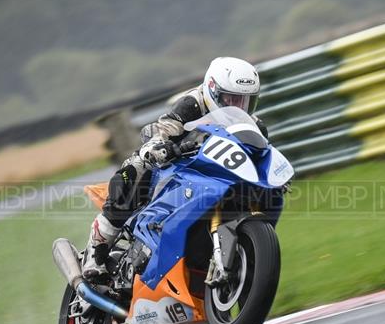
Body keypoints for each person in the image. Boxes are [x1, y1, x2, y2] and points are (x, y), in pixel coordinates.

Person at [82, 56, 267, 283]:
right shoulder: (193, 104)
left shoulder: (253, 125)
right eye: (232, 99)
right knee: (136, 167)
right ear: (213, 91)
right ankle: (97, 248)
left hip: (216, 177)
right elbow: (164, 129)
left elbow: (263, 154)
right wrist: (158, 147)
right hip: (178, 166)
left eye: (246, 101)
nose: (238, 107)